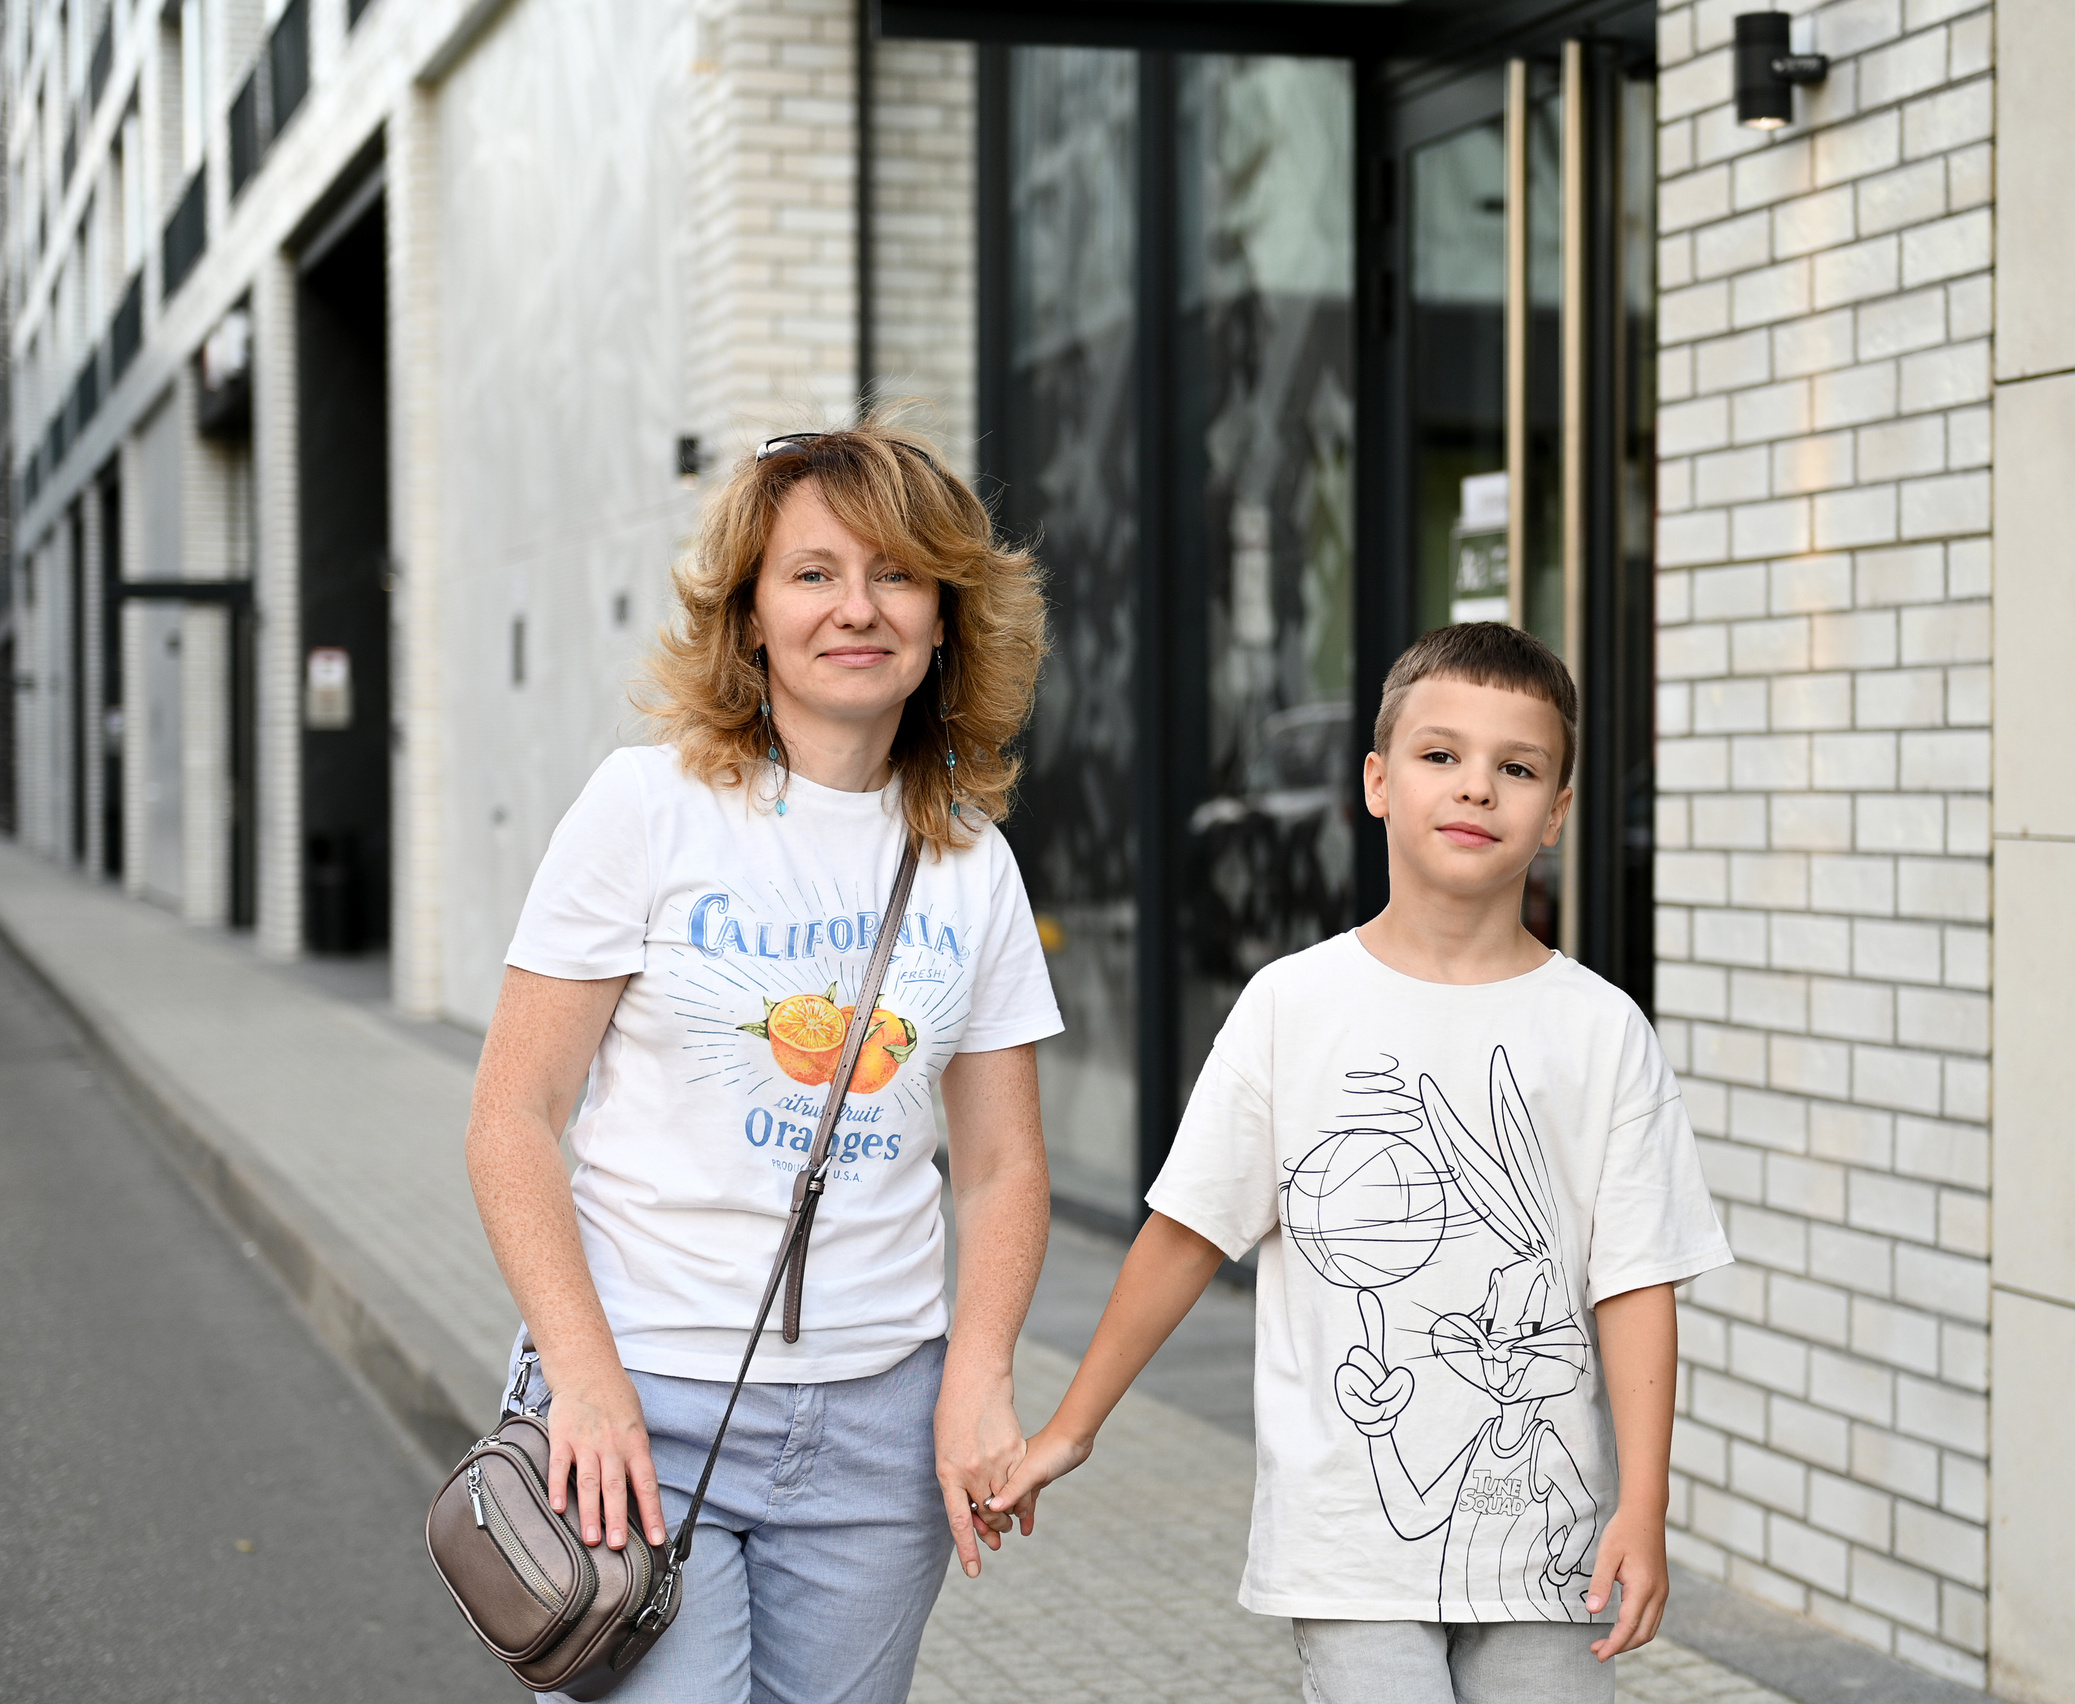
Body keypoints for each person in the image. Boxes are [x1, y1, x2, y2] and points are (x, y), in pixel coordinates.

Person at [990, 622, 1732, 1703]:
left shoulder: (1601, 1029)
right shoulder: (1295, 1006)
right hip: (1348, 1545)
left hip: (1549, 1552)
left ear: (1557, 811)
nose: (1475, 788)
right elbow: (1188, 1233)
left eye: (1515, 768)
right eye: (1441, 757)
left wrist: (1644, 1506)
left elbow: (1634, 1278)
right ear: (1377, 783)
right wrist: (1071, 1427)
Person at [463, 421, 1057, 1704]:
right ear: (748, 619)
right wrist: (582, 1375)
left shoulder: (970, 859)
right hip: (640, 1407)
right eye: (813, 574)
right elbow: (514, 1114)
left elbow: (1003, 1169)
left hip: (880, 1432)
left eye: (897, 575)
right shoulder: (646, 807)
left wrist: (980, 1376)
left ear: (946, 618)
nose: (859, 608)